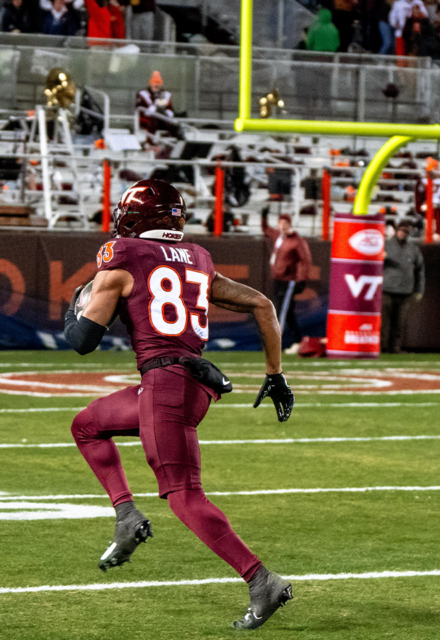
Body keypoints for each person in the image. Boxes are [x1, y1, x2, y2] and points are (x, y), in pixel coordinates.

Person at [63, 179, 296, 630]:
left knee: (184, 496)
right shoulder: (199, 257)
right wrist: (275, 374)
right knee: (87, 425)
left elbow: (83, 342)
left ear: (133, 220)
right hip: (191, 382)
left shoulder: (123, 254)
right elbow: (263, 305)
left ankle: (260, 580)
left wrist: (76, 307)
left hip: (165, 384)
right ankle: (127, 516)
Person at [262, 212, 312, 351]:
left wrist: (301, 279)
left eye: (285, 223)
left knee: (281, 311)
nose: (282, 226)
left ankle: (275, 343)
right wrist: (264, 217)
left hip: (288, 280)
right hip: (277, 279)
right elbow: (266, 229)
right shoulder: (278, 236)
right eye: (280, 223)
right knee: (287, 311)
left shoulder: (296, 240)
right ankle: (297, 340)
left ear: (290, 225)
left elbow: (305, 260)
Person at [381, 219, 424, 354]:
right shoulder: (386, 245)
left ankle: (394, 347)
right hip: (387, 289)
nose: (403, 233)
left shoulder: (413, 249)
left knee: (399, 323)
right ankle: (382, 346)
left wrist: (419, 290)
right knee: (385, 322)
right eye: (402, 230)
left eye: (406, 231)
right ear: (396, 230)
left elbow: (420, 270)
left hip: (405, 291)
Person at [136, 71, 177, 136]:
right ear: (150, 84)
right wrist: (154, 106)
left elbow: (170, 109)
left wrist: (166, 110)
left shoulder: (166, 95)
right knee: (154, 120)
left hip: (163, 118)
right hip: (148, 119)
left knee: (172, 123)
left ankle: (176, 136)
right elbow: (140, 110)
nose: (156, 85)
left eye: (158, 83)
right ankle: (151, 142)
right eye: (154, 83)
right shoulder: (143, 95)